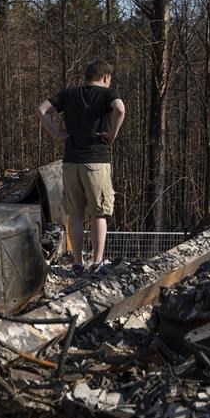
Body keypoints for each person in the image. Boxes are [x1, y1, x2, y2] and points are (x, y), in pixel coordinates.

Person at [36, 60, 126, 275]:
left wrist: (58, 135)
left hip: (70, 162)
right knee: (99, 213)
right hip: (96, 160)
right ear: (105, 77)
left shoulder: (69, 93)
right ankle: (96, 262)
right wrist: (112, 134)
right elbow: (120, 109)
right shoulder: (107, 94)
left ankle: (77, 263)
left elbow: (41, 109)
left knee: (75, 214)